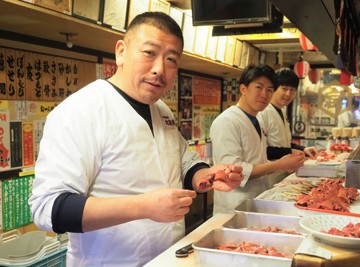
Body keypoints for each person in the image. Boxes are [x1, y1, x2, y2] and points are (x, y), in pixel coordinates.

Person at [28, 12, 244, 267]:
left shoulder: (161, 110)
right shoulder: (80, 111)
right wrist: (143, 206)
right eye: (149, 53)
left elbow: (182, 162)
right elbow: (48, 208)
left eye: (171, 59)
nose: (159, 69)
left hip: (168, 258)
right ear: (121, 52)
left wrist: (205, 175)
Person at [210, 64, 306, 214]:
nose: (264, 94)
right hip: (234, 204)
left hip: (256, 199)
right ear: (243, 89)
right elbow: (231, 170)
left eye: (269, 90)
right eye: (259, 87)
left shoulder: (257, 120)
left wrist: (286, 163)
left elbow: (256, 159)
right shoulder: (227, 121)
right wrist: (279, 165)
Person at [258, 67, 318, 160]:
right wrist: (291, 152)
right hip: (270, 170)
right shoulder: (263, 112)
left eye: (292, 90)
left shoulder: (282, 111)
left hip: (284, 169)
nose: (288, 94)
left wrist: (303, 149)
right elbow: (261, 150)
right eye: (284, 88)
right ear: (274, 88)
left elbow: (284, 144)